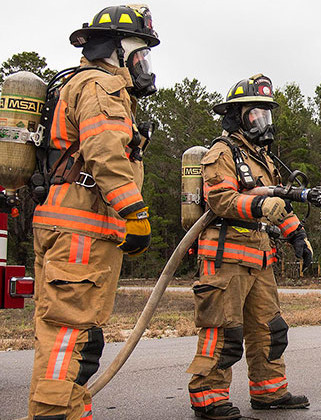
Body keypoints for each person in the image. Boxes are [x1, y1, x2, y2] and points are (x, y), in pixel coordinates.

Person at [28, 5, 158, 419]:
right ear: (117, 50)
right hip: (81, 228)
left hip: (66, 223)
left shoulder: (78, 83)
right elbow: (105, 153)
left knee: (64, 336)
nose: (143, 66)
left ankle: (69, 411)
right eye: (139, 54)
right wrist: (134, 213)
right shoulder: (102, 85)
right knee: (71, 335)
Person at [186, 75, 312, 419]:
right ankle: (208, 397)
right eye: (255, 115)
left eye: (266, 116)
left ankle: (269, 391)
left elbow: (276, 199)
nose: (262, 123)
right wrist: (259, 207)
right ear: (237, 116)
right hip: (225, 256)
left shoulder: (264, 159)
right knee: (223, 330)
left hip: (260, 257)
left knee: (269, 328)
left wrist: (296, 233)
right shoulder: (221, 153)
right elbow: (220, 199)